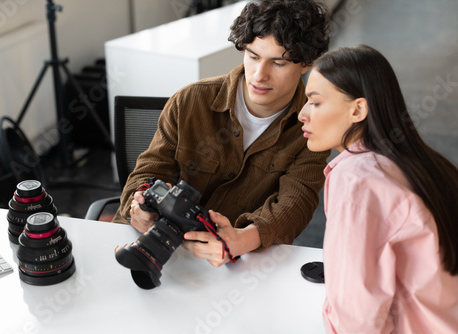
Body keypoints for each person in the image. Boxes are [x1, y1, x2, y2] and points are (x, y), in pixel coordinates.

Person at [112, 0, 331, 267]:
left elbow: (296, 203)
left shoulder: (311, 128)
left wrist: (243, 239)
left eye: (278, 63)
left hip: (234, 264)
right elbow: (149, 171)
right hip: (158, 248)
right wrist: (140, 208)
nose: (259, 75)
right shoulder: (190, 100)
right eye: (253, 56)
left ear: (306, 63)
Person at [298, 44, 458, 333]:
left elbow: (357, 322)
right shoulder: (425, 164)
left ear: (358, 109)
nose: (302, 114)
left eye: (315, 102)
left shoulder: (357, 182)